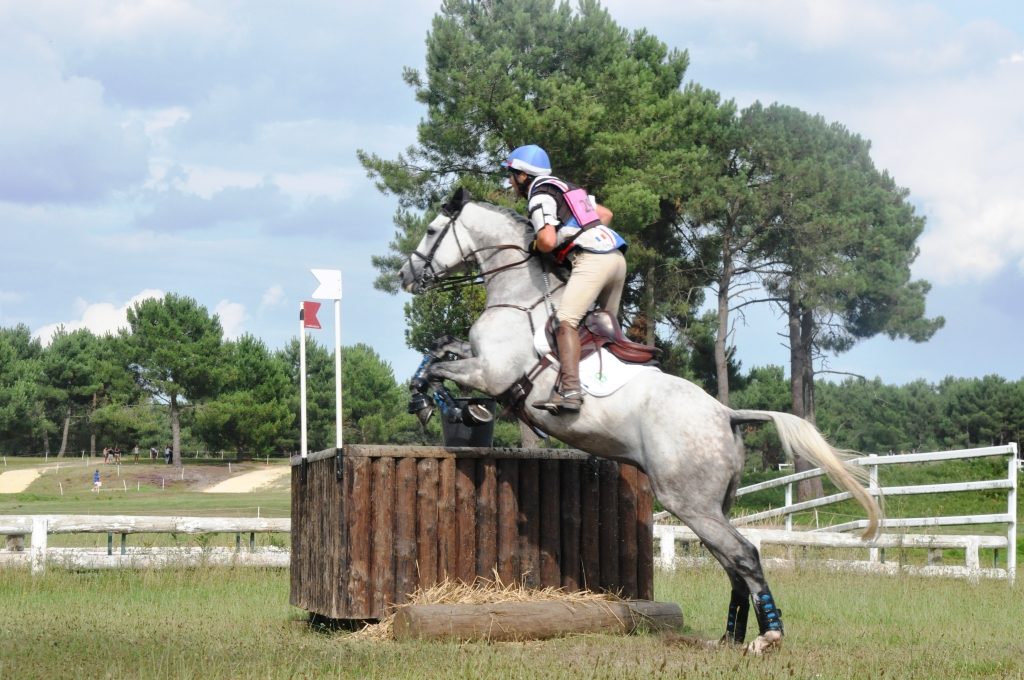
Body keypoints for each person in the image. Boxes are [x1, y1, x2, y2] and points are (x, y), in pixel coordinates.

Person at [503, 144, 627, 414]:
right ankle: (616, 391)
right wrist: (579, 232)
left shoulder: (539, 195)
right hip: (616, 257)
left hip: (592, 260)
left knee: (565, 322)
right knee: (605, 329)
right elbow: (605, 215)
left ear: (523, 176)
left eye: (511, 174)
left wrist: (541, 245)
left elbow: (546, 240)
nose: (510, 182)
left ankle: (571, 390)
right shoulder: (567, 188)